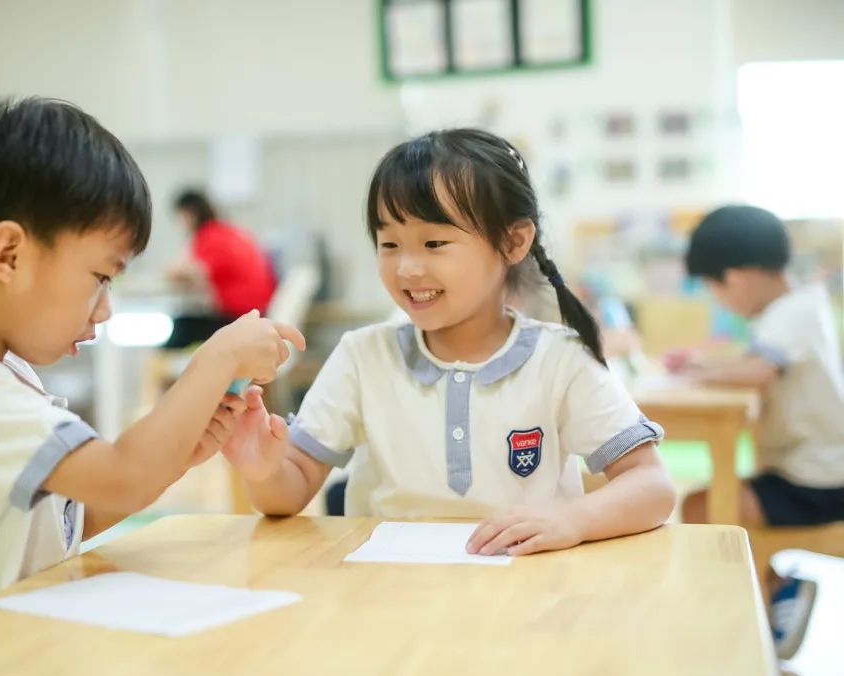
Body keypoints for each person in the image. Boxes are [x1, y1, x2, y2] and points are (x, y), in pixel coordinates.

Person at [0, 97, 304, 634]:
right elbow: (122, 477)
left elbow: (75, 518)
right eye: (101, 277)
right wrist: (218, 355)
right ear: (8, 254)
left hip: (15, 648)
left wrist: (175, 456)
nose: (105, 308)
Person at [223, 128, 675, 558]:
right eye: (389, 244)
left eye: (434, 242)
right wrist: (264, 471)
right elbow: (292, 486)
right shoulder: (364, 356)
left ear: (514, 241)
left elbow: (651, 486)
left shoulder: (561, 359)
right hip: (387, 596)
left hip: (527, 592)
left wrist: (573, 521)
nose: (408, 268)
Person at [672, 204, 844, 659]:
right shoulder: (796, 306)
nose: (718, 299)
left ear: (739, 277)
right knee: (701, 502)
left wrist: (696, 374)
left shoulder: (791, 313)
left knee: (700, 506)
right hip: (810, 472)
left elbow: (759, 371)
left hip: (817, 482)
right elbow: (756, 363)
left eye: (715, 288)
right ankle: (769, 593)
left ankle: (767, 599)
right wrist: (706, 363)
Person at [164, 189, 278, 348]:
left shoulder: (208, 236)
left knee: (182, 326)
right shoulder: (231, 231)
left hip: (240, 317)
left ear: (188, 214)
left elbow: (187, 273)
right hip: (259, 313)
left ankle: (157, 369)